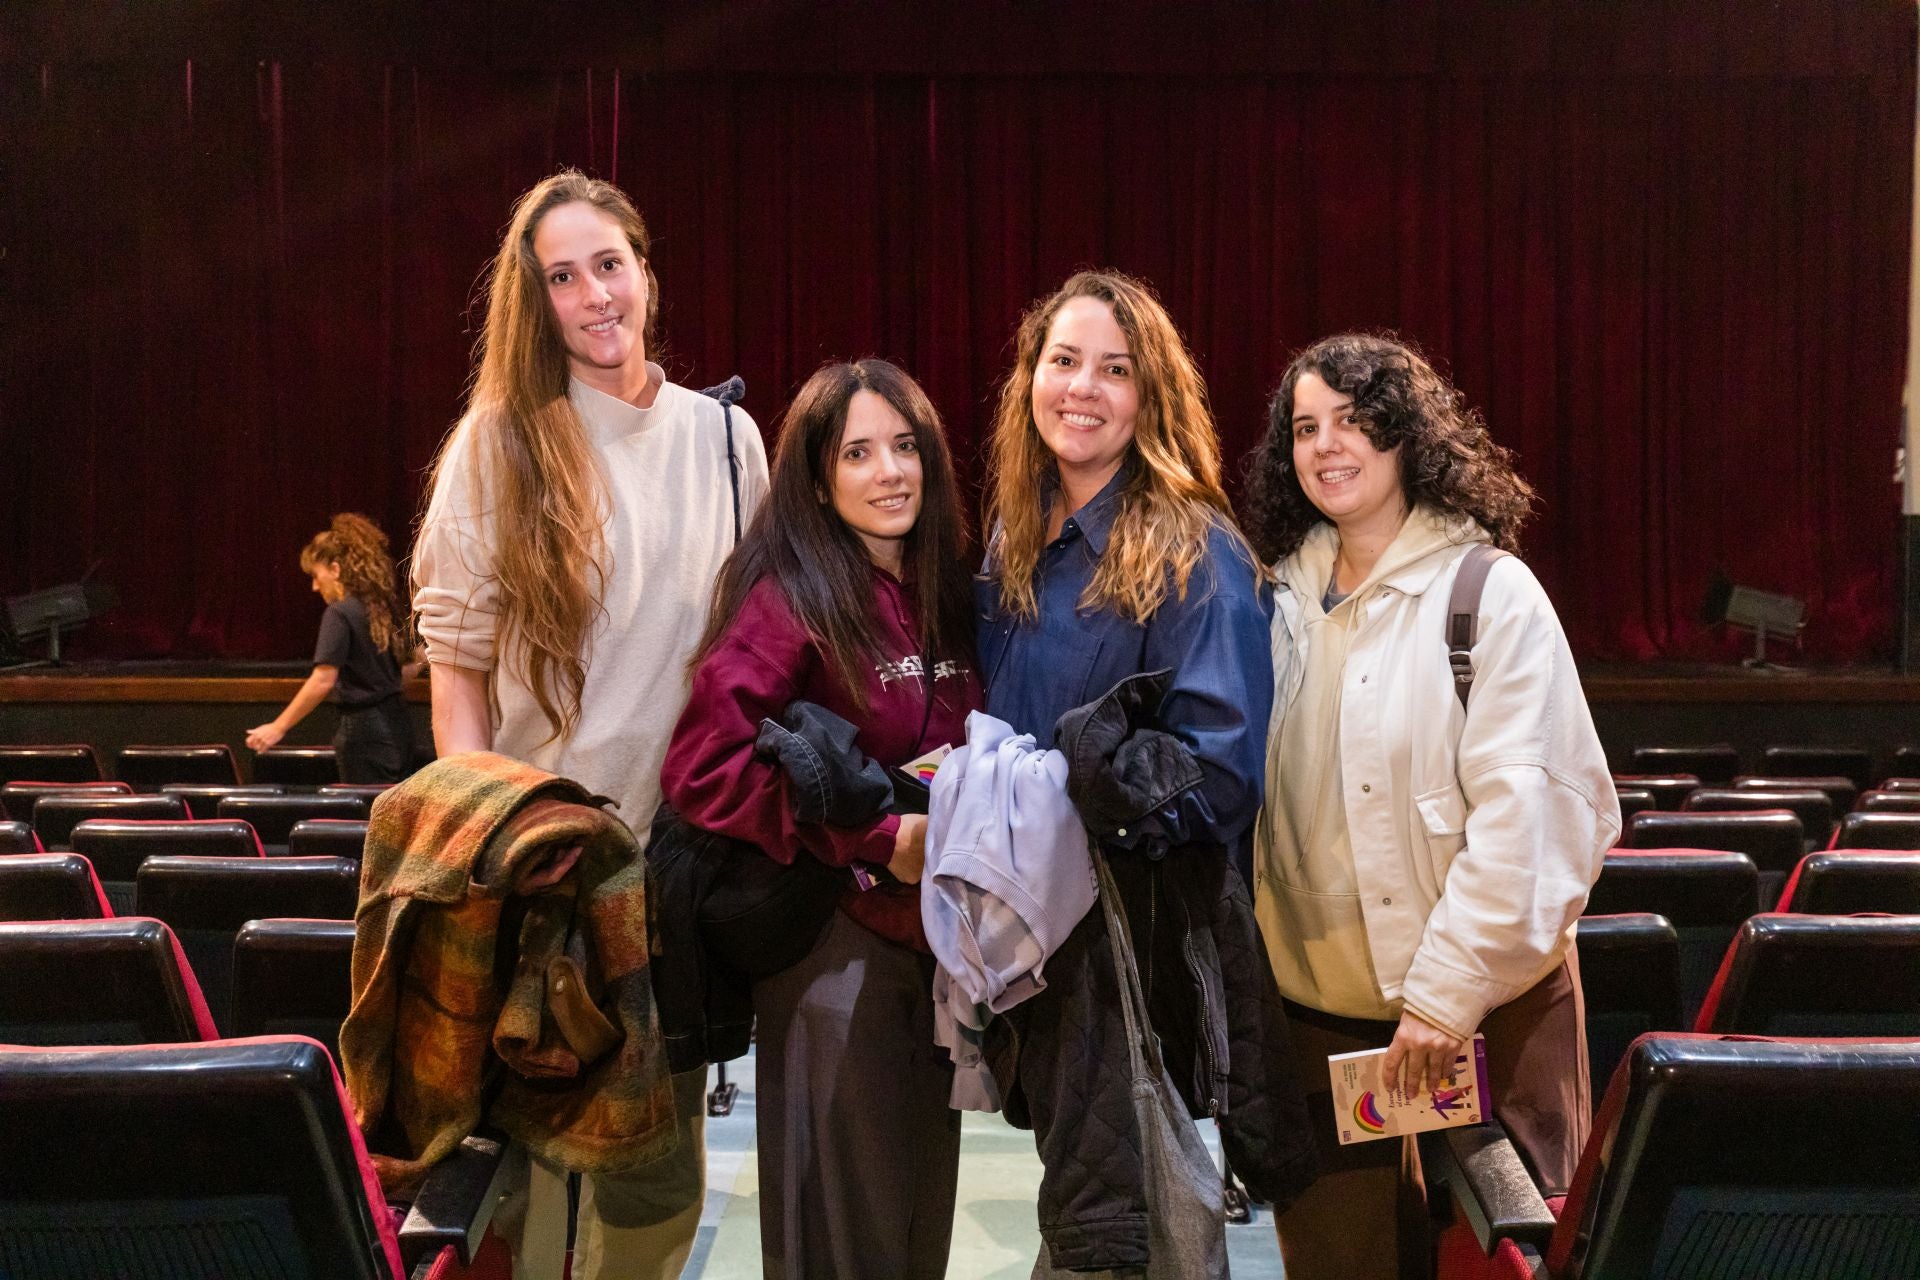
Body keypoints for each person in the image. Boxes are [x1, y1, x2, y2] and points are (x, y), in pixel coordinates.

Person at [411, 169, 769, 1280]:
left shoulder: (727, 441)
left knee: (656, 1188)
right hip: (544, 876)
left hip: (673, 878)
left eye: (608, 264)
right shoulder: (500, 444)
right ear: (540, 302)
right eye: (562, 277)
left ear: (646, 271)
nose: (593, 294)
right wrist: (495, 849)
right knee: (531, 1191)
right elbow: (457, 678)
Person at [1243, 333, 1619, 1279]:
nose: (1329, 445)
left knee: (1490, 1267)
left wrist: (1445, 999)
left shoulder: (1490, 594)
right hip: (1319, 1018)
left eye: (1356, 421)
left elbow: (1536, 821)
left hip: (1483, 1021)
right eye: (1305, 427)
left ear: (1408, 435)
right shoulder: (1266, 601)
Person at [978, 270, 1315, 1273]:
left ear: (1149, 396)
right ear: (1030, 378)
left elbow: (1218, 770)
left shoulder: (1194, 549)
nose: (1082, 387)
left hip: (1132, 937)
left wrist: (1095, 789)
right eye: (1064, 360)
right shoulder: (1011, 542)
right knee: (1084, 1208)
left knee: (1123, 1228)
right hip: (1028, 933)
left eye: (1114, 370)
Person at [660, 358, 979, 1280]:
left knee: (916, 1224)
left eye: (906, 447)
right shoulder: (789, 597)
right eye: (859, 452)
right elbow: (700, 768)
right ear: (816, 477)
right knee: (839, 1237)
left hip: (937, 954)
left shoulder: (944, 592)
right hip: (833, 946)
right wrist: (874, 841)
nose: (890, 471)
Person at [246, 512, 419, 782]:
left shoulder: (339, 613)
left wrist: (277, 728)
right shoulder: (383, 608)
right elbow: (409, 669)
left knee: (364, 817)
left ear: (336, 570)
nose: (315, 587)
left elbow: (323, 679)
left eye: (316, 575)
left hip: (363, 734)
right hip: (399, 727)